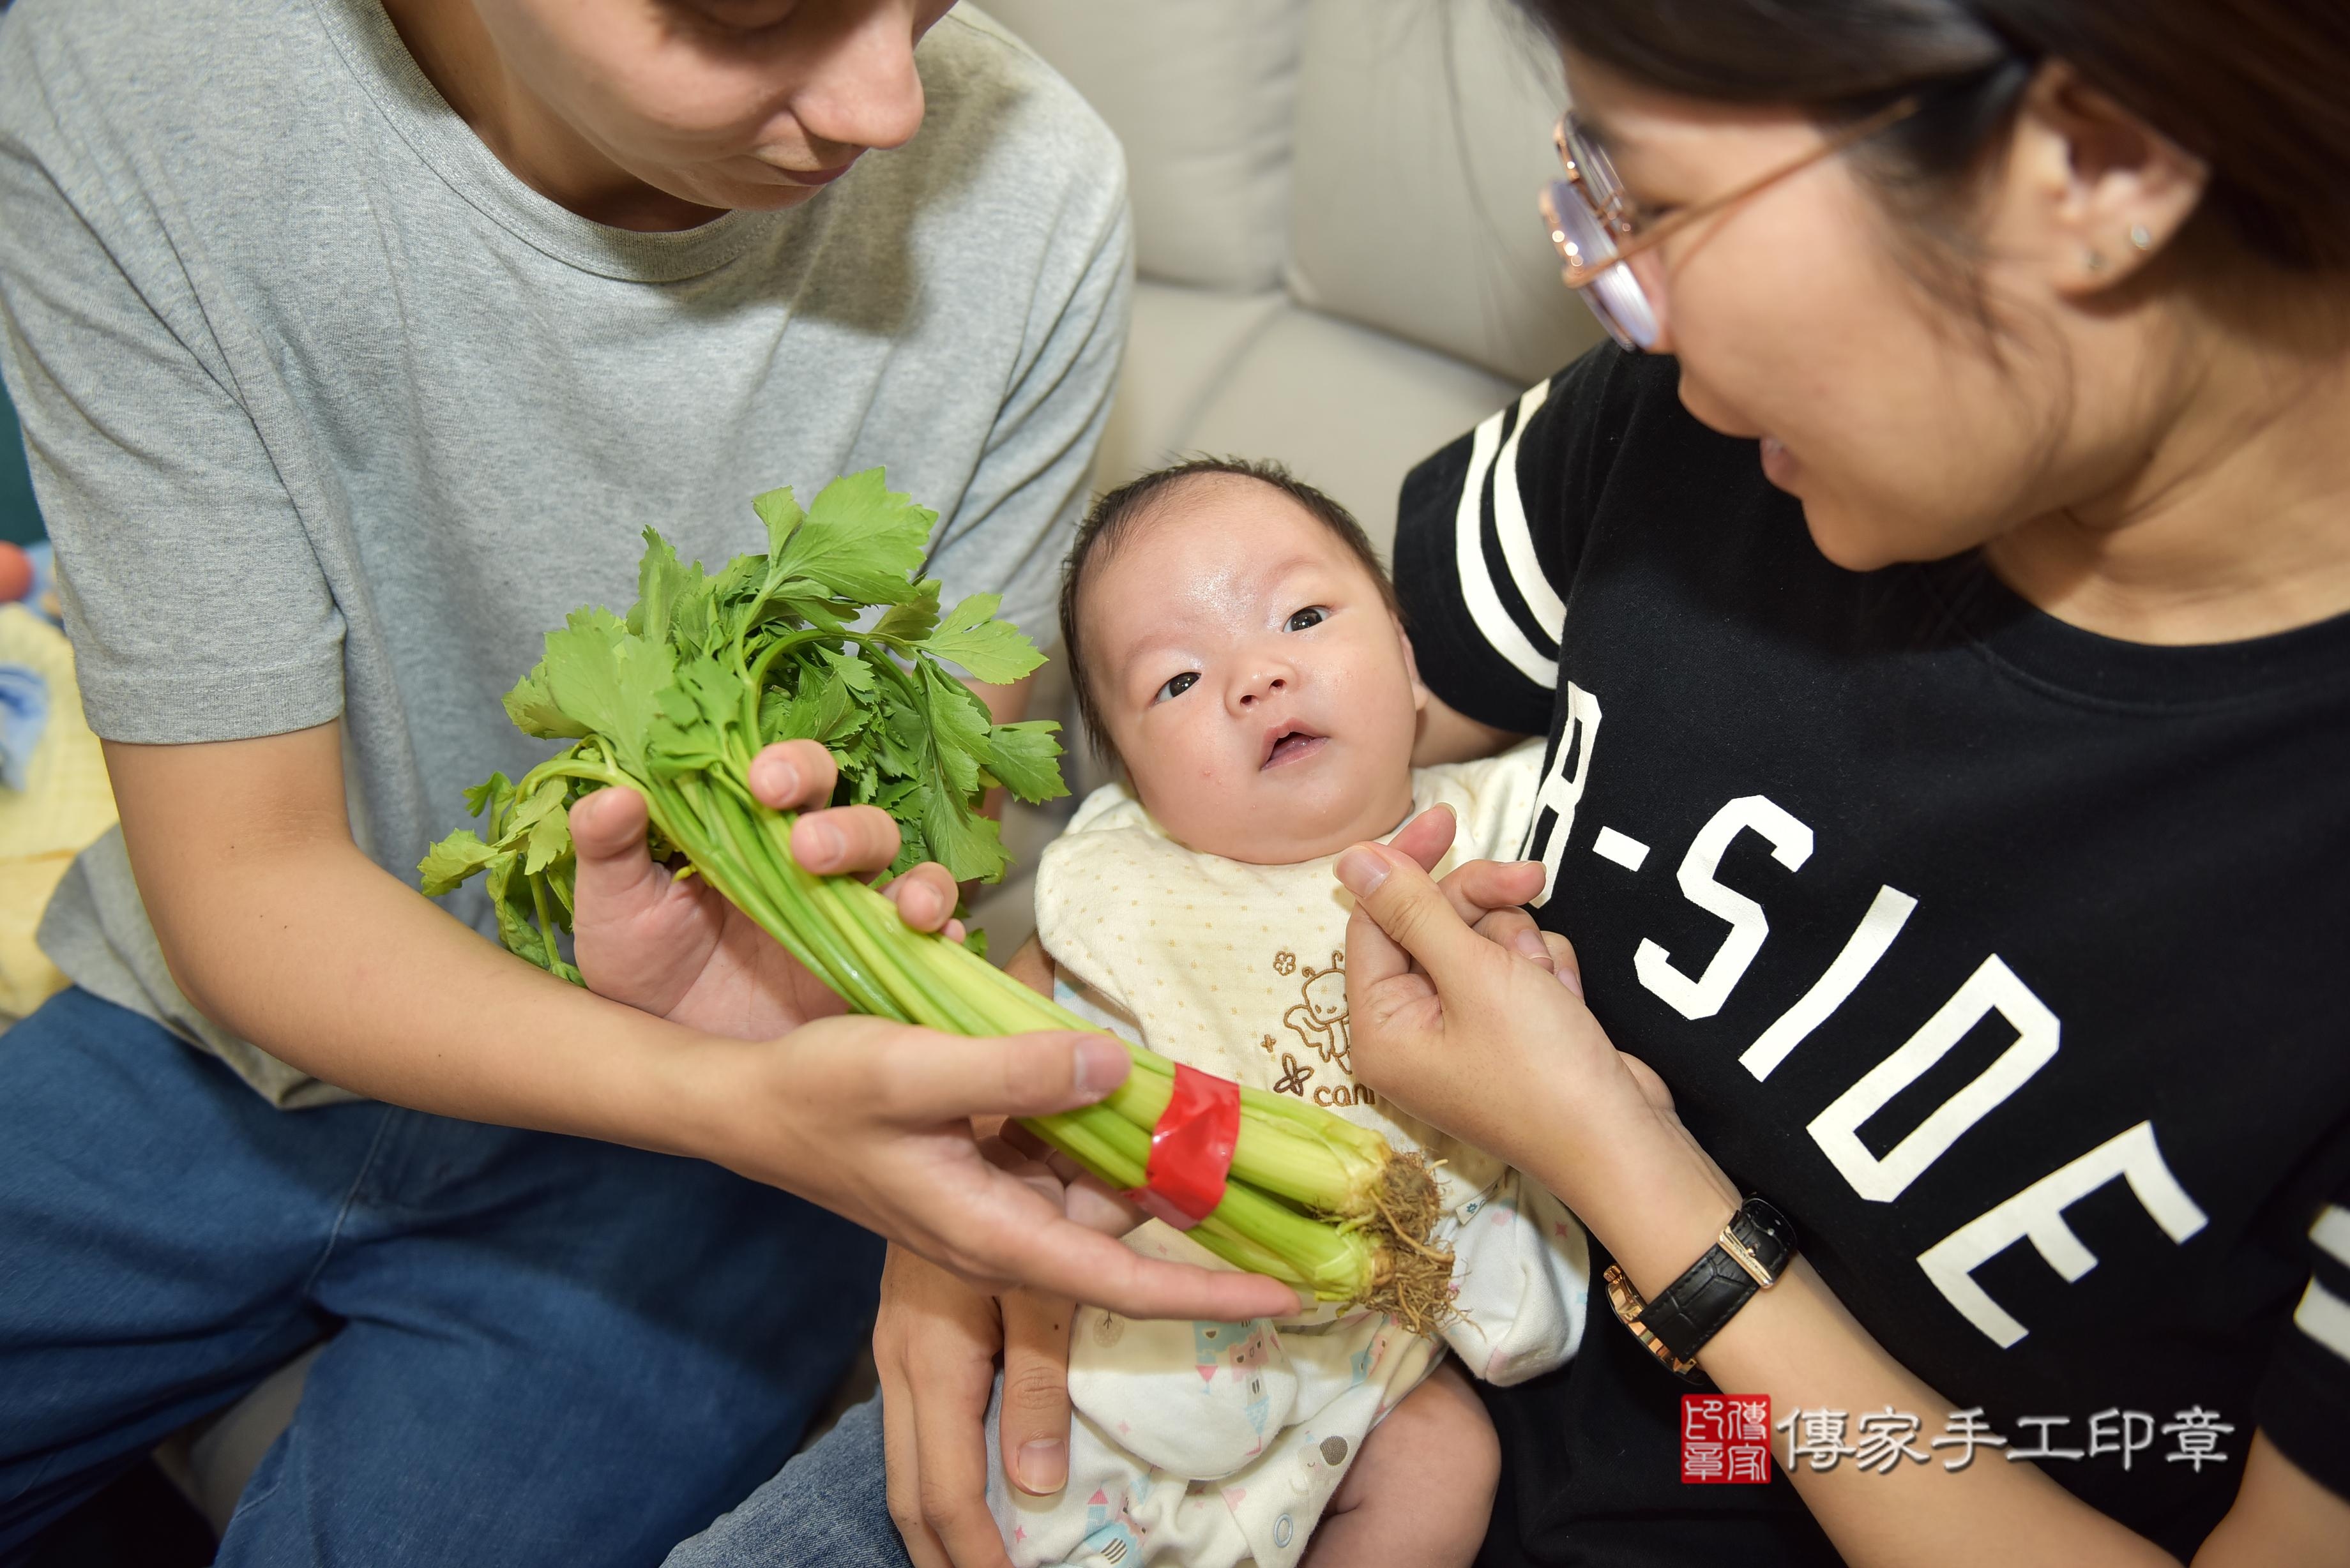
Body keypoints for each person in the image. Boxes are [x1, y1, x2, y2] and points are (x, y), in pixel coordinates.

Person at [778, 0, 2350, 1564]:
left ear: (2092, 164)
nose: (1624, 306)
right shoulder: (1690, 436)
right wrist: (1023, 1119)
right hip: (1225, 1366)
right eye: (1596, 190)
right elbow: (1245, 786)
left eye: (1661, 206)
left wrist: (1635, 1179)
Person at [0, 0, 1296, 1562]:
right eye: (756, 21)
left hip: (722, 1163)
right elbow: (248, 872)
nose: (887, 102)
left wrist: (773, 1040)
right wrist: (720, 1090)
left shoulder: (1026, 188)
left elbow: (935, 817)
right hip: (208, 1042)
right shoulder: (132, 80)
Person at [994, 459, 1585, 1568]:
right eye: (1177, 681)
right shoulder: (1134, 895)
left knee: (1450, 1465)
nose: (1257, 676)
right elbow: (1042, 1111)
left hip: (1373, 1376)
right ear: (1130, 786)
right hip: (1134, 1372)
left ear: (1411, 660)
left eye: (1304, 616)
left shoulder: (1507, 824)